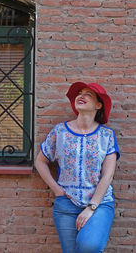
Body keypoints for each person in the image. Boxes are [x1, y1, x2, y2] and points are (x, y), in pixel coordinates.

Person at [35, 82, 120, 253]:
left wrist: (91, 208)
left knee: (90, 246)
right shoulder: (60, 131)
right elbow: (40, 161)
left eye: (88, 94)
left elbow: (107, 176)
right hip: (66, 204)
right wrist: (57, 190)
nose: (81, 96)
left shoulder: (107, 135)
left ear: (98, 105)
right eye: (80, 93)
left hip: (100, 204)